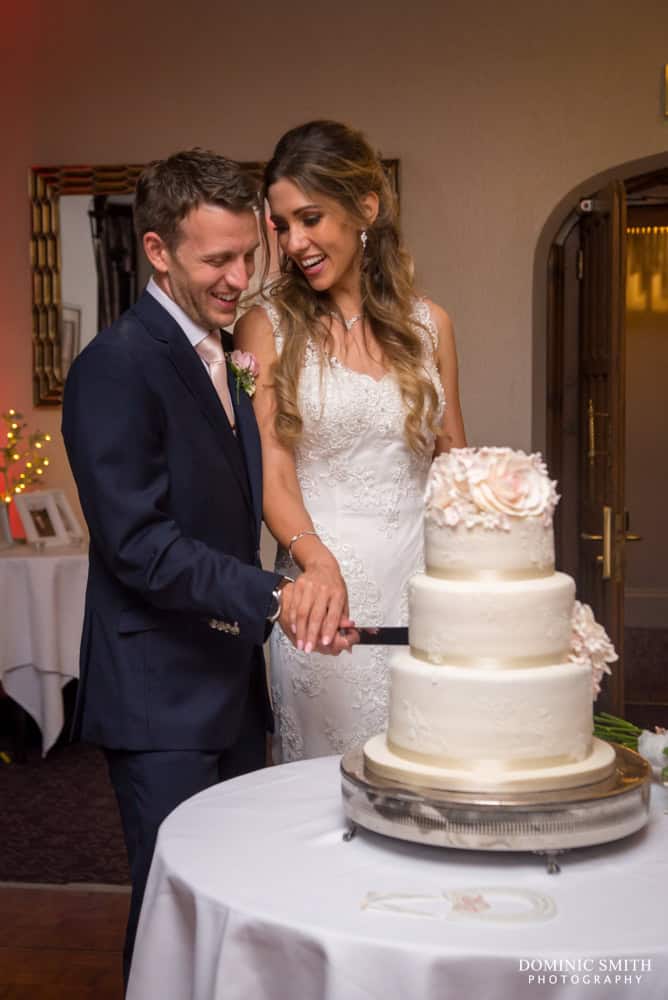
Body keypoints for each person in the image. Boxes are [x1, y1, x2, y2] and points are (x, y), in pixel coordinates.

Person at [61, 148, 353, 989]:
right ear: (157, 251)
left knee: (234, 912)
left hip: (229, 685)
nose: (238, 278)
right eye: (215, 260)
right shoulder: (115, 366)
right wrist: (278, 595)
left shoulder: (222, 351)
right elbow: (138, 545)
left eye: (246, 256)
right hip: (159, 697)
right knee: (173, 922)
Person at [235, 120, 466, 763]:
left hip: (426, 594)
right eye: (281, 226)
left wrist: (486, 592)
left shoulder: (431, 326)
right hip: (323, 601)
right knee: (328, 792)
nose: (295, 243)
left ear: (365, 208)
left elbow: (455, 473)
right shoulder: (266, 326)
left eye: (310, 218)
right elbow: (271, 471)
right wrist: (317, 562)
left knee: (430, 781)